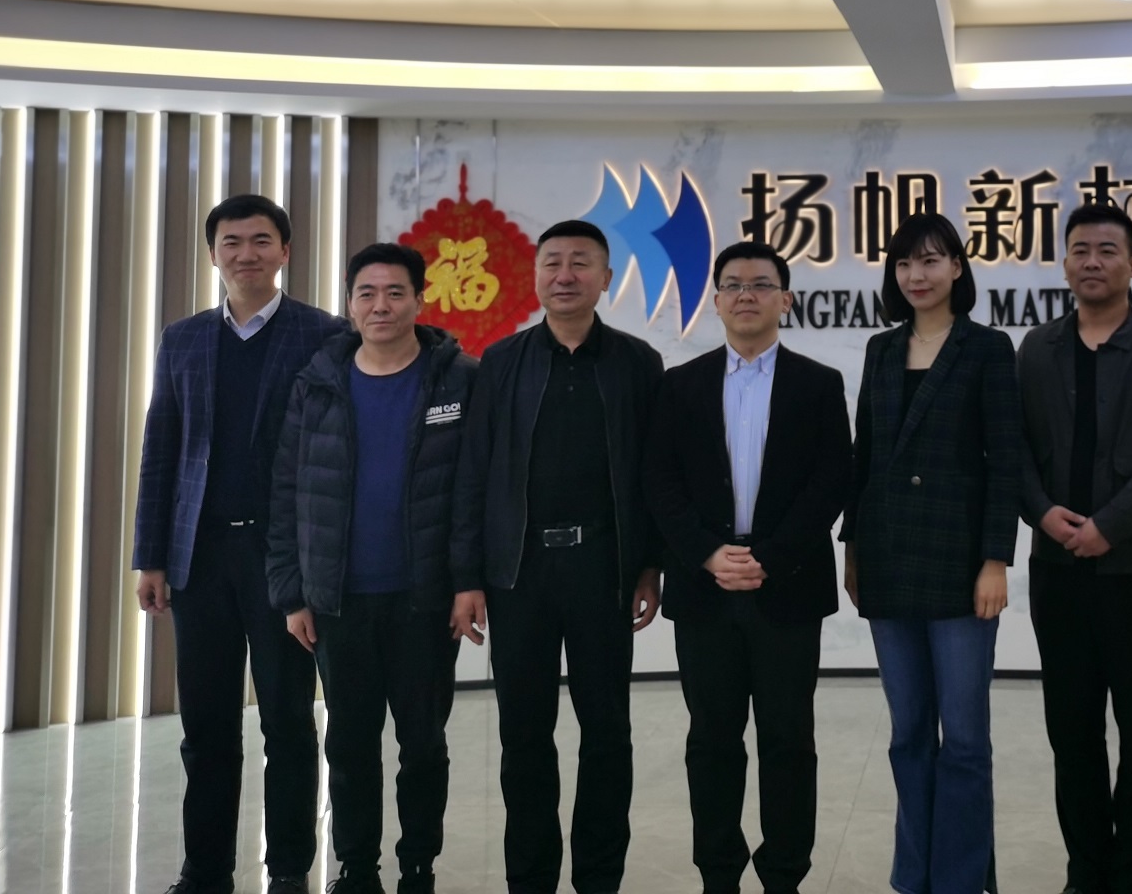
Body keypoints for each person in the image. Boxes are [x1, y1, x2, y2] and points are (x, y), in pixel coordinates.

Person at [132, 193, 349, 894]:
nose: (246, 254)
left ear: (285, 251)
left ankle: (288, 871)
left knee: (288, 722)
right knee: (205, 727)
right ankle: (205, 872)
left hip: (283, 560)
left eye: (261, 241)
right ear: (213, 255)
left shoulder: (324, 334)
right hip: (199, 559)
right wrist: (151, 556)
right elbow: (161, 448)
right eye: (232, 242)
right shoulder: (183, 338)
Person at [449, 220, 665, 894]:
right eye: (553, 262)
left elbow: (653, 473)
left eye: (580, 263)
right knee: (524, 734)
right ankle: (531, 878)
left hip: (604, 569)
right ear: (536, 275)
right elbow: (474, 472)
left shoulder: (638, 362)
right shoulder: (501, 362)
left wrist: (650, 565)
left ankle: (599, 878)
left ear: (606, 278)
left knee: (607, 733)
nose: (565, 275)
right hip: (520, 574)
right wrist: (468, 577)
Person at [265, 243, 479, 894]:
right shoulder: (317, 382)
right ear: (350, 304)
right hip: (339, 600)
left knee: (423, 745)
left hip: (425, 599)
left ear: (419, 300)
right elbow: (287, 491)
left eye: (394, 292)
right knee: (350, 745)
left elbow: (475, 490)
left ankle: (418, 867)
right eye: (367, 293)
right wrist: (292, 593)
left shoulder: (458, 379)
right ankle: (357, 869)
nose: (380, 305)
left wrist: (468, 582)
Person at [643, 241, 852, 894]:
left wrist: (770, 557)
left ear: (785, 299)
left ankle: (784, 874)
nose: (746, 295)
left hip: (787, 584)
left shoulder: (819, 384)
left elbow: (832, 479)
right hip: (704, 587)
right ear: (716, 300)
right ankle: (719, 875)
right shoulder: (680, 385)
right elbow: (660, 482)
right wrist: (707, 554)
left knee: (788, 740)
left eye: (761, 284)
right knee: (712, 740)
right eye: (732, 284)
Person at [1018, 203, 1132, 894]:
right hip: (1056, 572)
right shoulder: (1038, 348)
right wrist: (1042, 513)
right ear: (1064, 263)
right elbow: (1015, 450)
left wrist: (1110, 525)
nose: (1092, 261)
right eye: (1080, 250)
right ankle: (1086, 870)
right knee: (1072, 732)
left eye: (1107, 250)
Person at [842, 211, 1022, 894]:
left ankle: (961, 880)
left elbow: (1005, 460)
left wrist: (995, 559)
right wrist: (852, 549)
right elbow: (865, 456)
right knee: (909, 733)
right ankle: (912, 877)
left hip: (960, 561)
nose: (916, 275)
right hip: (888, 557)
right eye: (904, 263)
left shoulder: (987, 348)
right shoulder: (881, 350)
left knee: (966, 740)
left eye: (930, 260)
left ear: (957, 267)